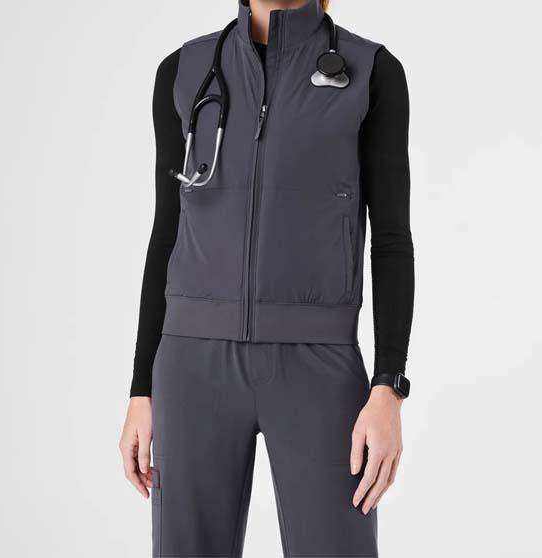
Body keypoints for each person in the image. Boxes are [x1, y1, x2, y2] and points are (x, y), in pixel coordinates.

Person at [120, 0, 414, 556]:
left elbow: (392, 241)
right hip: (191, 365)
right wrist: (141, 388)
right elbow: (167, 236)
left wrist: (388, 387)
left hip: (319, 366)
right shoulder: (183, 70)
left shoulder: (370, 72)